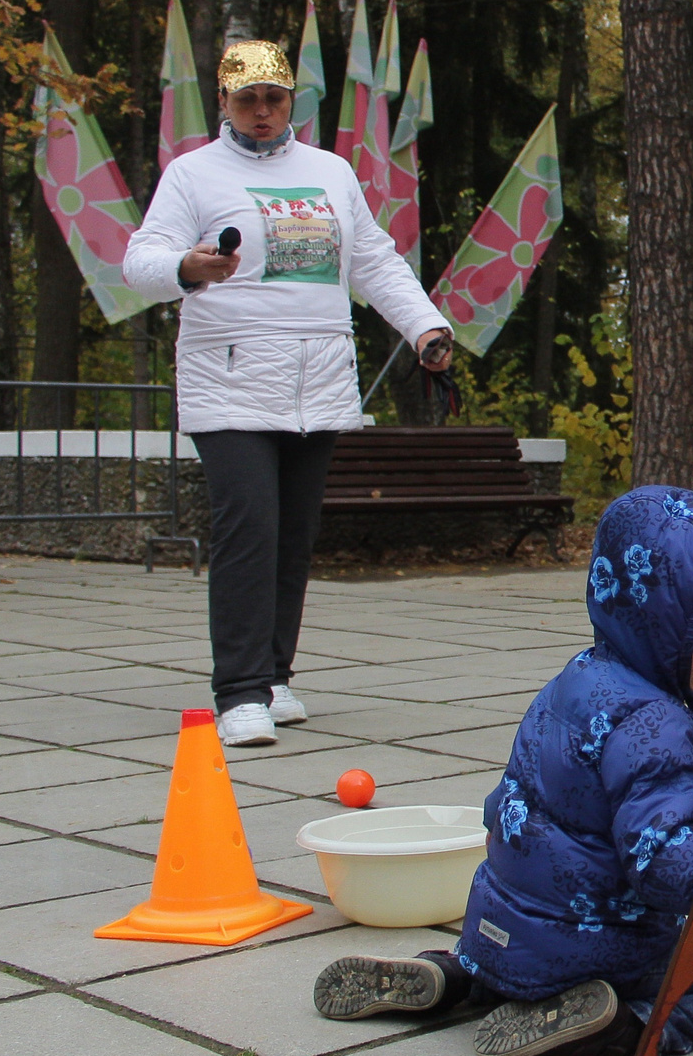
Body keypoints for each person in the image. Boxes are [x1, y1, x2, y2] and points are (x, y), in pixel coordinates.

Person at [309, 487, 693, 1056]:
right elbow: (659, 862)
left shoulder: (578, 677)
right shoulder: (660, 728)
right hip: (595, 946)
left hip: (494, 921)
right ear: (658, 627)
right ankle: (618, 1022)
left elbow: (510, 800)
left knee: (518, 948)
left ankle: (460, 978)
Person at [122, 41, 453, 748]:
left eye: (275, 98)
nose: (264, 112)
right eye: (249, 100)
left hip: (318, 382)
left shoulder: (331, 173)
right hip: (231, 381)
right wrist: (188, 264)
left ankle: (274, 676)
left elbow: (373, 261)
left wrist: (425, 326)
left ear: (290, 100)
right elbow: (139, 260)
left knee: (293, 539)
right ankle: (237, 691)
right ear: (225, 103)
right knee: (250, 531)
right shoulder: (193, 175)